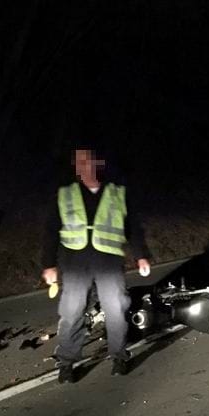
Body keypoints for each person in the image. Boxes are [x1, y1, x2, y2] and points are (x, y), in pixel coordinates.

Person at [41, 146, 151, 383]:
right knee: (72, 311)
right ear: (75, 167)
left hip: (108, 260)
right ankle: (67, 363)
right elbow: (51, 230)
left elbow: (132, 227)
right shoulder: (65, 194)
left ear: (99, 164)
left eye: (89, 161)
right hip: (75, 260)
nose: (85, 167)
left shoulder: (117, 193)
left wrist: (141, 255)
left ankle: (119, 357)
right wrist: (49, 264)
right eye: (80, 162)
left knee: (115, 308)